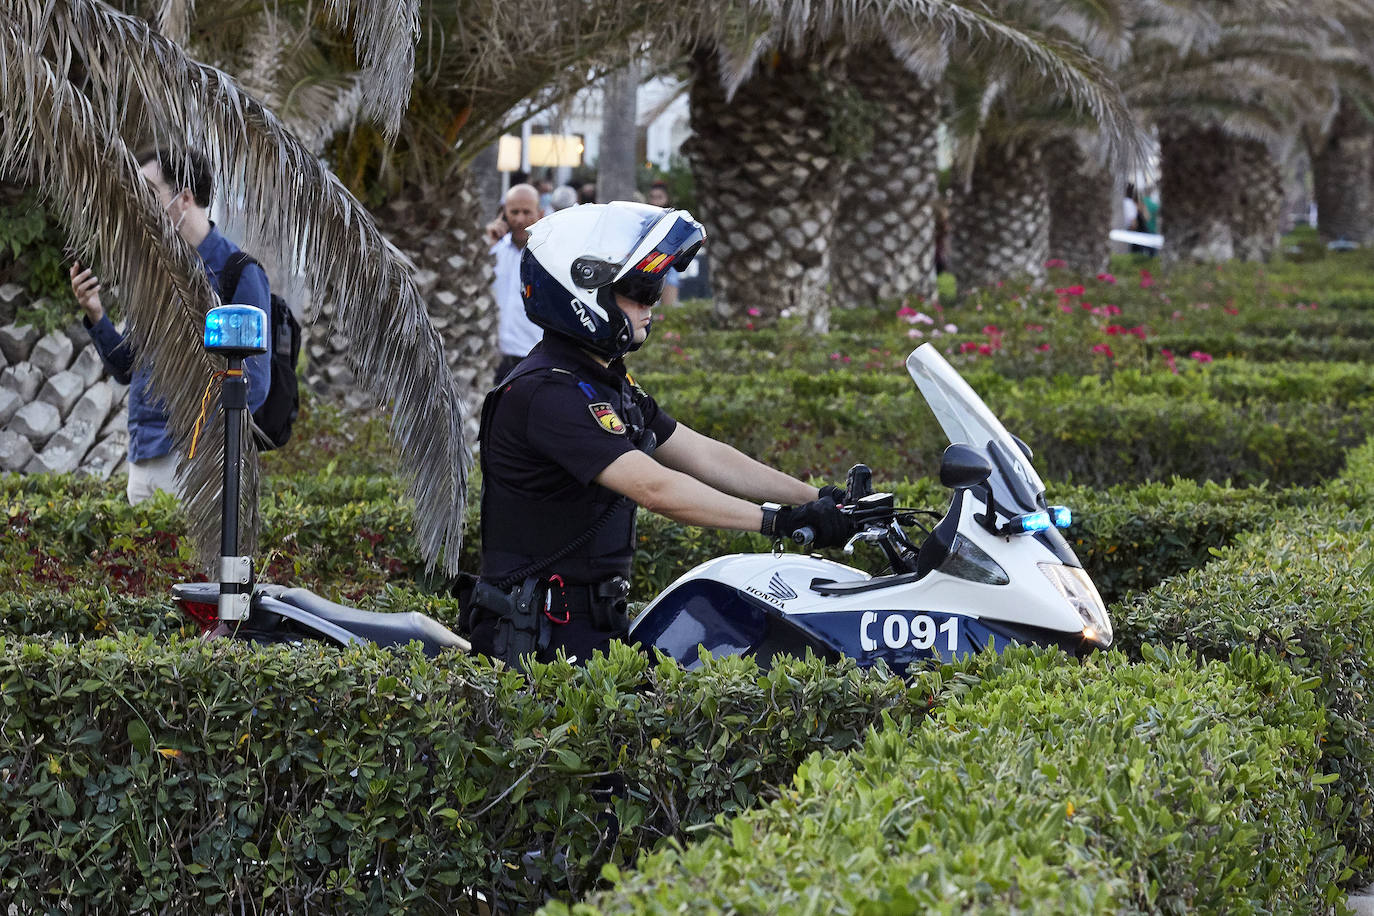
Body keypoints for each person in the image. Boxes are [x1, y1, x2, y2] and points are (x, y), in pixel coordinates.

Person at [466, 202, 854, 667]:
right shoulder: (547, 393)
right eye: (638, 290)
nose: (651, 304)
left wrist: (821, 497)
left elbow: (705, 456)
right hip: (538, 643)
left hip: (587, 626)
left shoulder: (607, 382)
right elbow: (655, 488)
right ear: (583, 294)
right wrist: (779, 522)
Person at [69, 147, 271, 505]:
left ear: (184, 198)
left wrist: (198, 445)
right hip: (141, 457)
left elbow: (254, 385)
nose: (136, 205)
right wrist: (96, 314)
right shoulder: (153, 273)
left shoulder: (237, 272)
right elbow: (128, 369)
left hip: (193, 463)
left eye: (148, 194)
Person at [490, 184, 545, 382]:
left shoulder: (549, 255)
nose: (520, 219)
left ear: (540, 213)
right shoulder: (492, 250)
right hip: (493, 357)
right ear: (503, 214)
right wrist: (485, 243)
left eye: (526, 212)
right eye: (514, 212)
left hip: (533, 357)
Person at [646, 181, 681, 307]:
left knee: (671, 279)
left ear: (667, 198)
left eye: (659, 197)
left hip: (668, 258)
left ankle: (667, 316)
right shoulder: (646, 217)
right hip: (649, 259)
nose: (656, 201)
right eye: (653, 197)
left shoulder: (674, 217)